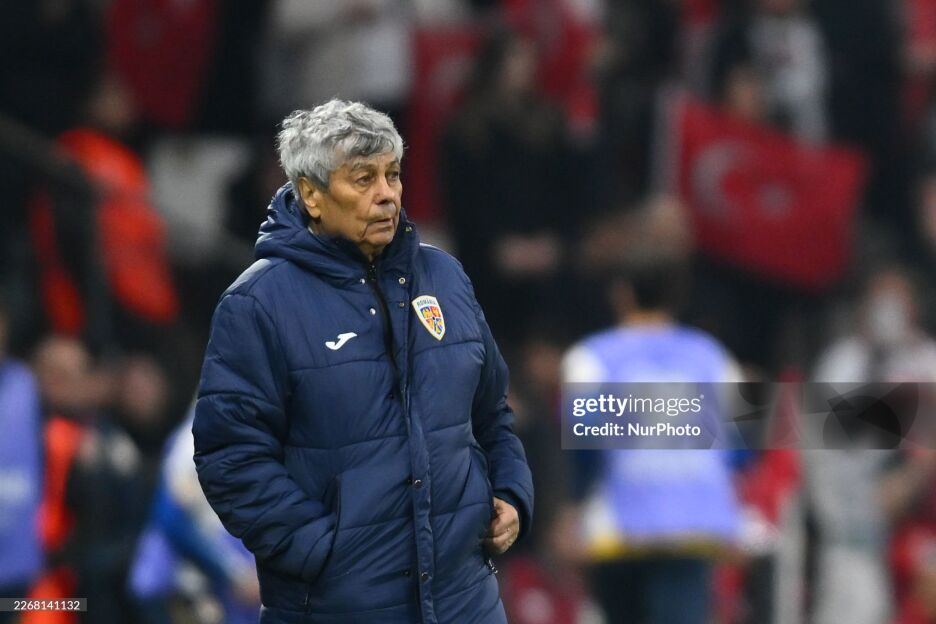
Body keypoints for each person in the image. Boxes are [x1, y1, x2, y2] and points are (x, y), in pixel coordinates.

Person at [192, 99, 534, 623]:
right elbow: (230, 456)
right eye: (363, 179)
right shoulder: (257, 304)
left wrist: (510, 492)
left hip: (466, 602)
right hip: (339, 608)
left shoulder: (445, 278)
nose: (387, 194)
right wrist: (319, 551)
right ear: (311, 194)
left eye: (392, 175)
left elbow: (492, 413)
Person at [561, 246, 741, 623]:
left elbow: (584, 443)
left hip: (620, 525)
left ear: (621, 292)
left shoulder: (592, 358)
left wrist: (573, 506)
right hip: (693, 524)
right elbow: (739, 445)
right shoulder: (712, 357)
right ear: (677, 295)